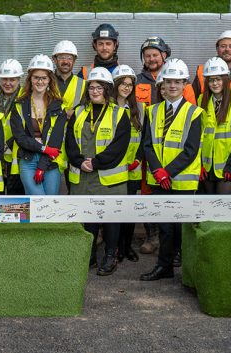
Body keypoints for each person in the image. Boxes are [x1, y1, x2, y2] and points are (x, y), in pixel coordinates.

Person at [139, 59, 203, 281]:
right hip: (159, 180)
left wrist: (169, 172)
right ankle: (164, 266)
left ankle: (187, 270)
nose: (173, 86)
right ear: (162, 84)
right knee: (165, 225)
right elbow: (147, 143)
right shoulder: (152, 111)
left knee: (181, 228)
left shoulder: (195, 113)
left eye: (177, 81)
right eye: (169, 82)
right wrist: (158, 171)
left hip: (182, 180)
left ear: (185, 83)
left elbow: (191, 150)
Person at [65, 67, 131, 276]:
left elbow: (119, 147)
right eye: (92, 87)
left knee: (110, 217)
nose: (95, 91)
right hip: (82, 175)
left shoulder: (120, 113)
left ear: (107, 89)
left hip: (109, 177)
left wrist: (96, 163)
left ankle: (110, 256)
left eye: (99, 87)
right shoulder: (78, 111)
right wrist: (79, 161)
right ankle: (90, 254)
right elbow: (69, 141)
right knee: (88, 217)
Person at [134, 36, 171, 254]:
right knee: (147, 190)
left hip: (171, 145)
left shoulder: (177, 77)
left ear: (164, 55)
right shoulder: (137, 81)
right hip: (145, 144)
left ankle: (171, 240)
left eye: (155, 54)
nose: (151, 58)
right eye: (147, 55)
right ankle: (152, 235)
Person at [10, 55, 67, 196]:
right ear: (30, 79)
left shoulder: (58, 106)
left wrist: (42, 166)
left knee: (50, 202)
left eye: (44, 78)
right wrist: (43, 148)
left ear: (50, 80)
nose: (40, 81)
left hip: (51, 162)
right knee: (37, 199)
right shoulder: (19, 105)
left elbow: (56, 139)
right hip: (27, 160)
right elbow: (21, 138)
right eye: (36, 77)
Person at [198, 57, 231, 195]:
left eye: (218, 79)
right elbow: (198, 136)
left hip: (230, 168)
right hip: (208, 167)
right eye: (211, 80)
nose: (215, 83)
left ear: (226, 79)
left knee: (224, 207)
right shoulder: (201, 101)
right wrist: (199, 164)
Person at [112, 64, 143, 263]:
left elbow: (146, 137)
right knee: (115, 209)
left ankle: (126, 246)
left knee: (129, 210)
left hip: (133, 167)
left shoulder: (139, 108)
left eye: (129, 84)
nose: (126, 88)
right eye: (122, 84)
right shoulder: (107, 106)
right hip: (114, 168)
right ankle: (114, 247)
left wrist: (138, 159)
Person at [0, 59, 25, 195]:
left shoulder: (26, 97)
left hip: (16, 156)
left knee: (16, 199)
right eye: (4, 79)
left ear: (19, 79)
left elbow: (28, 128)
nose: (7, 83)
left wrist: (7, 144)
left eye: (12, 79)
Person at [189, 31, 231, 100]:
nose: (227, 49)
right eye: (223, 46)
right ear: (217, 49)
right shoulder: (202, 71)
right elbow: (193, 101)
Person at [51, 40, 86, 113]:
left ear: (74, 60)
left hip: (73, 124)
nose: (65, 62)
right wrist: (64, 113)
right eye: (61, 57)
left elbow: (85, 110)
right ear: (54, 59)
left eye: (69, 58)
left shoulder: (83, 84)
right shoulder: (45, 82)